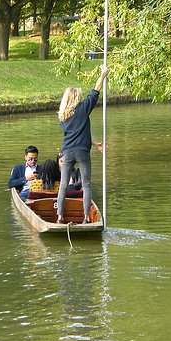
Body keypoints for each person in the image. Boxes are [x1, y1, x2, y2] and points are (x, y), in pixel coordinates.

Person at [56, 66, 109, 224]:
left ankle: (60, 217)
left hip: (67, 152)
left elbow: (76, 135)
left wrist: (95, 143)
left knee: (63, 186)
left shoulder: (62, 116)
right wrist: (102, 75)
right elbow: (96, 91)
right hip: (82, 152)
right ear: (76, 98)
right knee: (86, 185)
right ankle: (86, 217)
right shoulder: (83, 109)